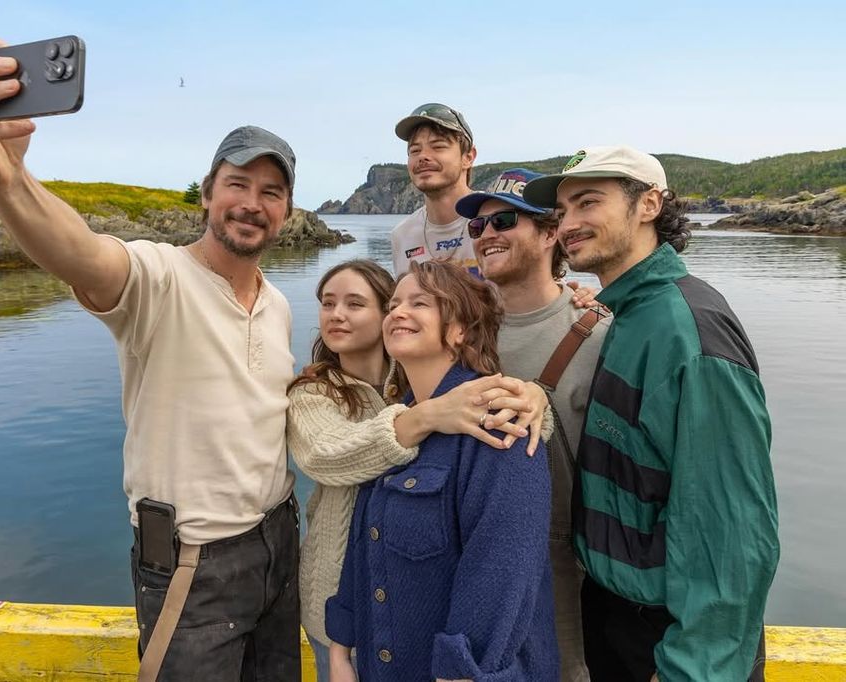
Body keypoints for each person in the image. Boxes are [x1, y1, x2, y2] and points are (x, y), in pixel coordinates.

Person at [0, 36, 300, 680]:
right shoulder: (158, 277)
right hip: (193, 563)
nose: (253, 202)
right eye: (238, 183)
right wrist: (5, 179)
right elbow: (81, 252)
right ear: (205, 194)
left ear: (287, 213)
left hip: (279, 542)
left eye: (271, 192)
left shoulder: (277, 304)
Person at [523, 145, 780, 682]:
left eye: (588, 203)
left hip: (670, 642)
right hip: (617, 617)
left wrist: (694, 666)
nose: (569, 223)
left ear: (648, 205)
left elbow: (729, 527)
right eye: (563, 210)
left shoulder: (687, 329)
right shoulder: (629, 313)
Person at [287, 260, 552, 681]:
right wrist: (341, 647)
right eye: (395, 304)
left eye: (420, 303)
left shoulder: (498, 426)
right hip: (378, 650)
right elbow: (361, 535)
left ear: (460, 329)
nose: (399, 312)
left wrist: (535, 397)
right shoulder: (397, 420)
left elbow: (499, 574)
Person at [456, 167, 610, 682]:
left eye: (504, 220)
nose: (488, 235)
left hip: (571, 580)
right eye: (478, 228)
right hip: (476, 568)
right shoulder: (458, 330)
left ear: (550, 233)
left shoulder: (601, 329)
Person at [389, 103, 480, 277]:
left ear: (468, 157)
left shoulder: (498, 222)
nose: (423, 156)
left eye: (438, 146)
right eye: (414, 150)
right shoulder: (402, 236)